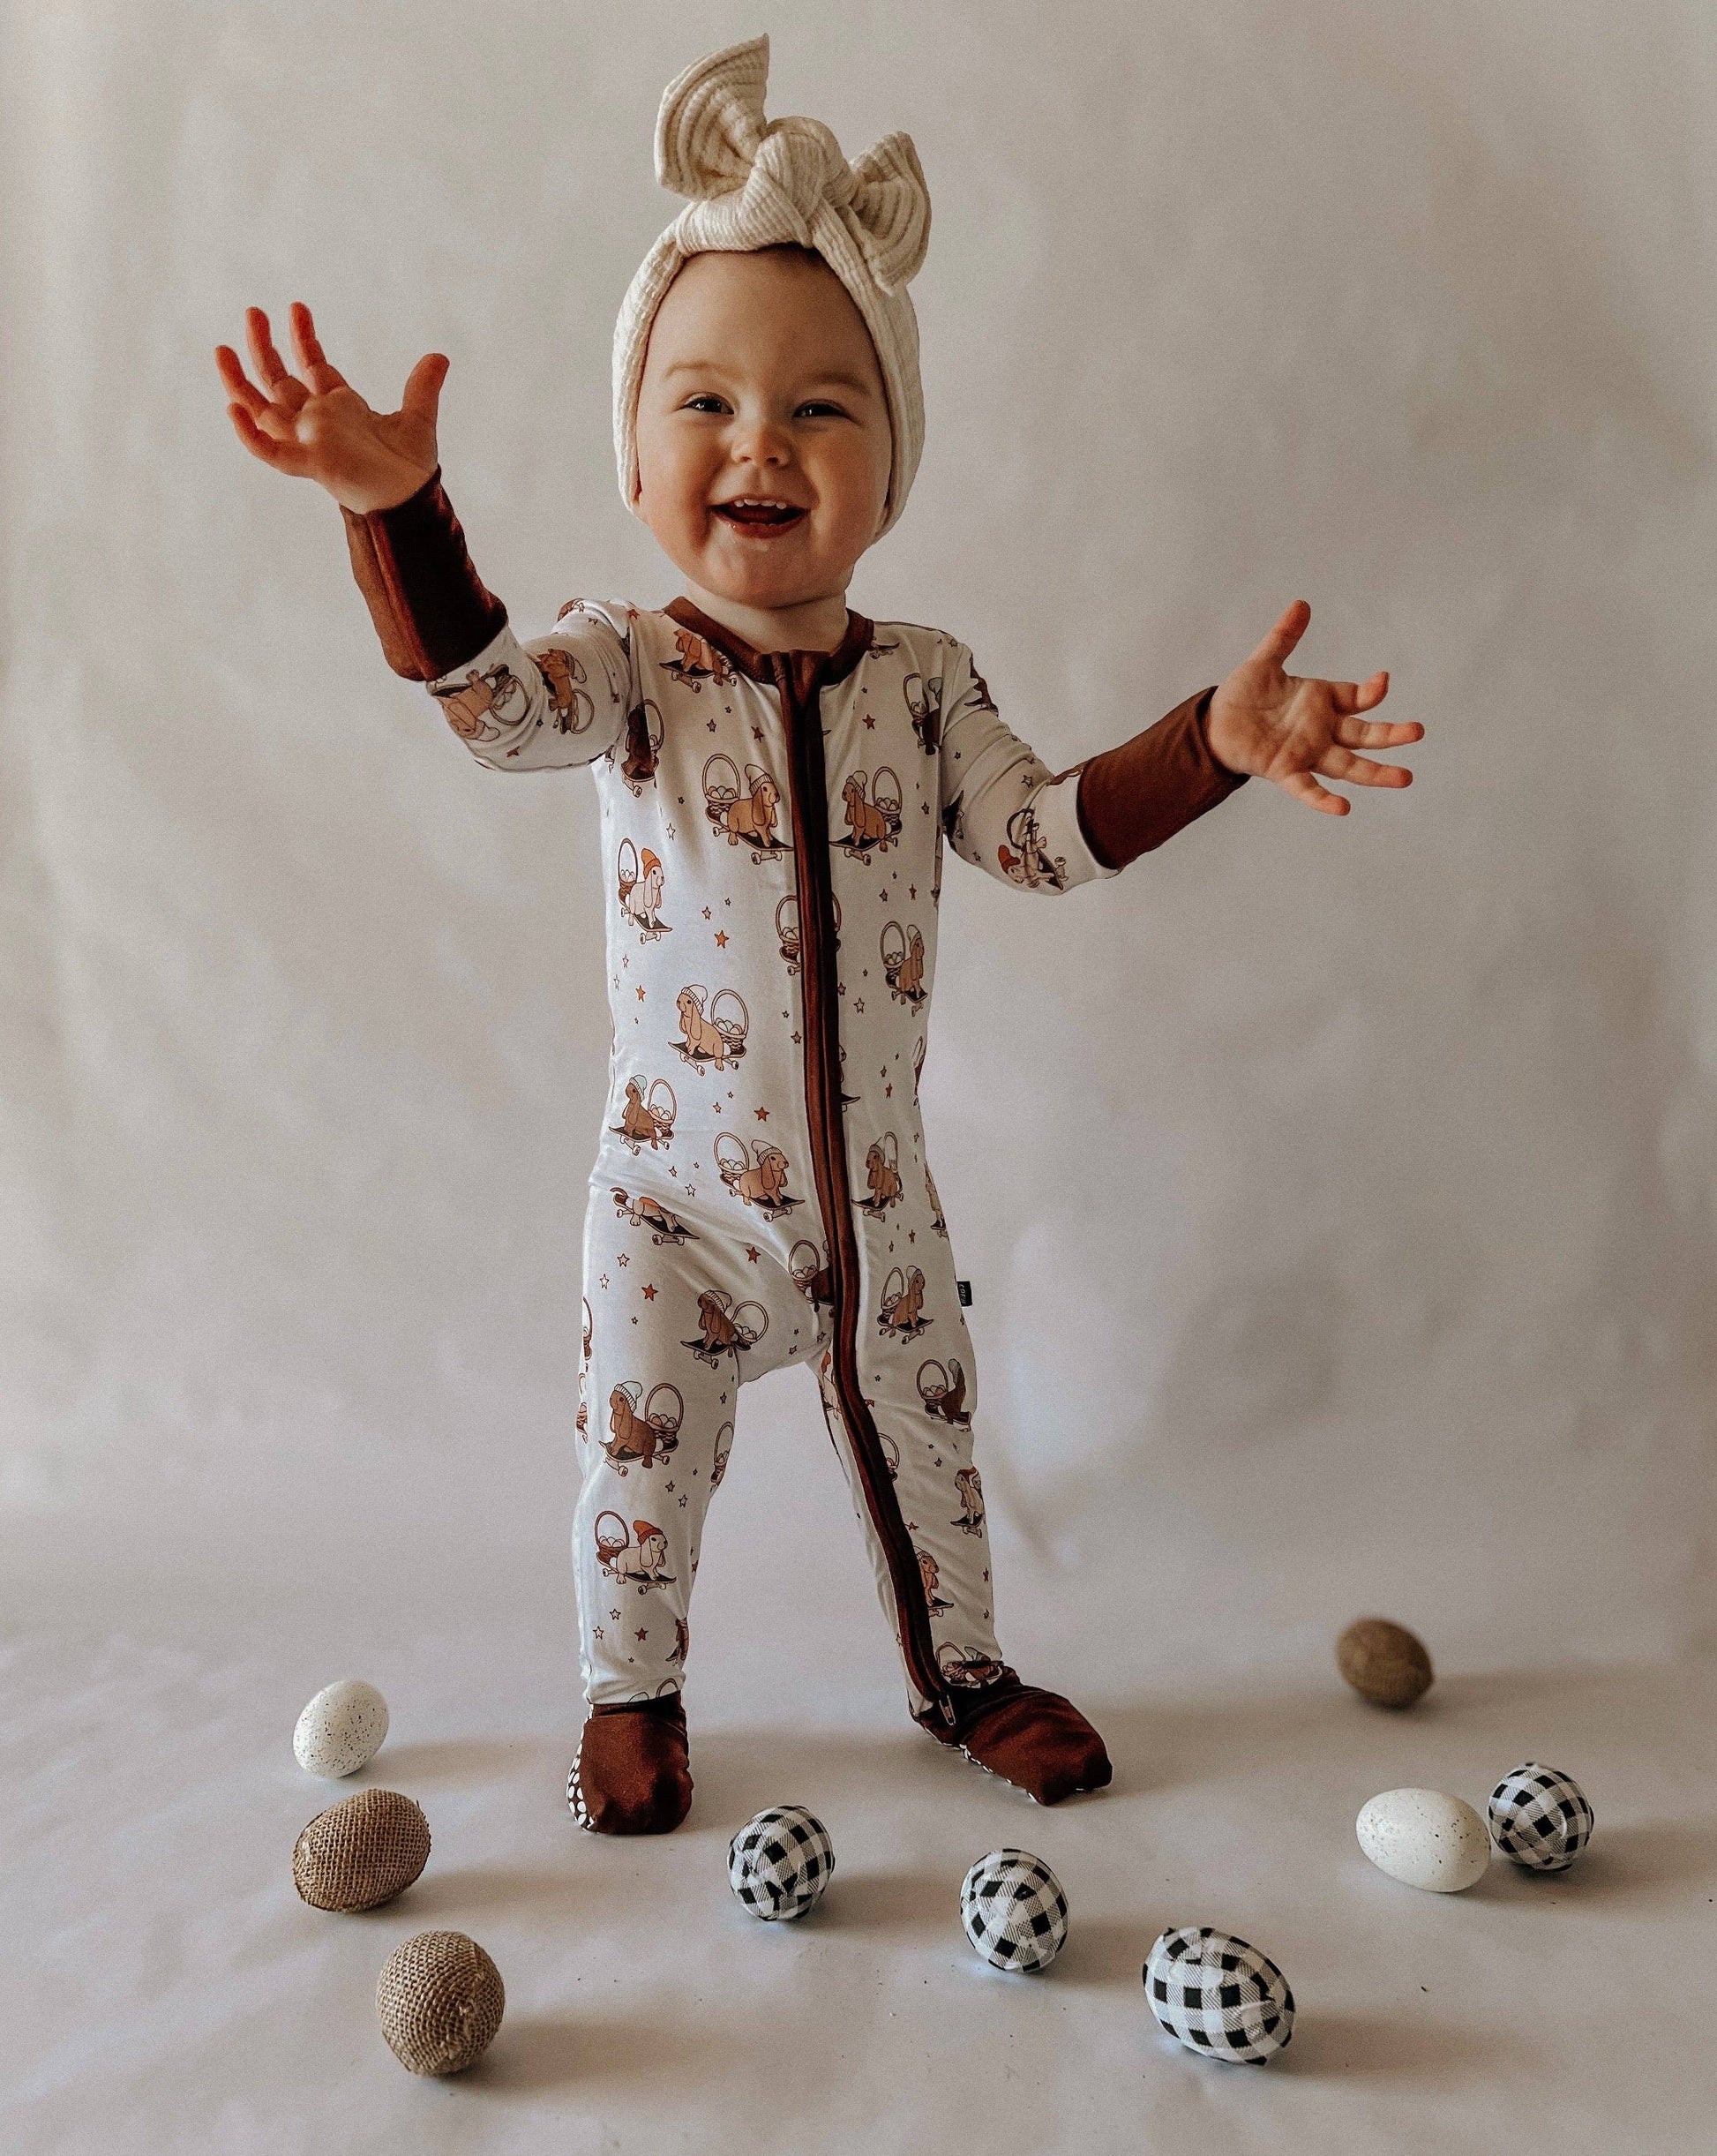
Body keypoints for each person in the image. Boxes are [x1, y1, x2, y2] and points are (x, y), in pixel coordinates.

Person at [214, 35, 1421, 1835]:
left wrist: (1210, 745)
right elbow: (489, 706)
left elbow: (1040, 837)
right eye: (702, 401)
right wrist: (399, 513)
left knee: (933, 1453)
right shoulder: (628, 661)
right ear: (635, 463)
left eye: (821, 408)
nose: (760, 441)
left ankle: (967, 1677)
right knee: (635, 1469)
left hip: (875, 1203)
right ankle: (632, 1693)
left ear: (890, 465)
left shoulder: (925, 685)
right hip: (670, 1204)